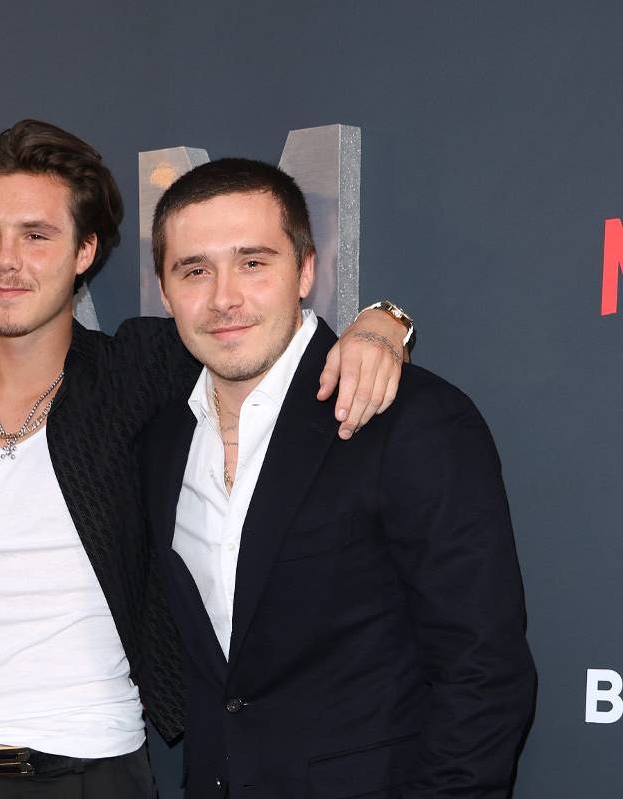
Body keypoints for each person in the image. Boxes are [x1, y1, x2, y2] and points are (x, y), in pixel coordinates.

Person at [0, 120, 411, 799]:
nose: (6, 261)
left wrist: (383, 322)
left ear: (85, 250)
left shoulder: (138, 372)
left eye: (37, 235)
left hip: (95, 774)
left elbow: (262, 337)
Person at [141, 158, 536, 798]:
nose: (223, 298)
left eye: (253, 262)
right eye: (194, 270)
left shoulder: (410, 419)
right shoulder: (162, 438)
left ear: (305, 270)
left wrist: (387, 322)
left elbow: (481, 670)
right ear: (164, 291)